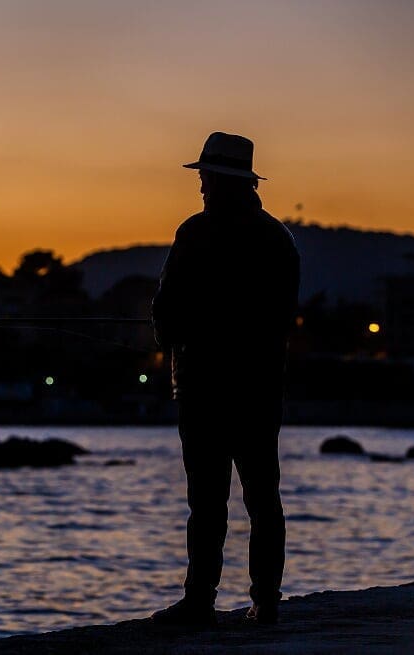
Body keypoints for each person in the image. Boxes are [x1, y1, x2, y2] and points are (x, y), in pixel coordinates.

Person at [151, 132, 299, 626]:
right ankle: (266, 601)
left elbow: (166, 310)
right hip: (259, 391)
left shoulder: (194, 233)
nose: (201, 187)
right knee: (263, 498)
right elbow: (281, 318)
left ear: (220, 180)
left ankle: (199, 602)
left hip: (201, 390)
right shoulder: (278, 239)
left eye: (205, 178)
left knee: (206, 502)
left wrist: (172, 336)